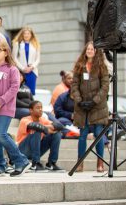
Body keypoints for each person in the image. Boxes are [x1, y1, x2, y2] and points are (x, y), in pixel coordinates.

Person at [0, 40, 31, 177]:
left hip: (5, 108)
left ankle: (21, 160)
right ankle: (0, 165)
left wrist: (0, 101)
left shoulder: (12, 69)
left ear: (5, 52)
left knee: (1, 134)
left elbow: (14, 88)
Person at [71, 41, 109, 173]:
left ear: (96, 51)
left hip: (97, 106)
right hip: (82, 107)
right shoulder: (79, 66)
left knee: (98, 134)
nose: (90, 51)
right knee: (83, 135)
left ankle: (100, 163)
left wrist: (94, 101)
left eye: (92, 49)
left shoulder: (102, 66)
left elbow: (105, 87)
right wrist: (79, 100)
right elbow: (74, 85)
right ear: (85, 51)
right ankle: (80, 163)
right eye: (88, 49)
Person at [17, 101, 63, 171]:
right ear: (31, 110)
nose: (41, 109)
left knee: (57, 134)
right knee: (37, 130)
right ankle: (35, 163)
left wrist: (46, 127)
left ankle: (51, 163)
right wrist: (48, 128)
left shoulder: (42, 120)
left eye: (41, 107)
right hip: (23, 151)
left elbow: (59, 126)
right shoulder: (24, 119)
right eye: (38, 108)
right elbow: (35, 126)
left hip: (36, 149)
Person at [12, 26, 41, 95]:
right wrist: (23, 68)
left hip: (32, 72)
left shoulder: (35, 44)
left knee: (31, 92)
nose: (26, 35)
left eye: (28, 33)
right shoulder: (17, 44)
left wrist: (32, 67)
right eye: (25, 33)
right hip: (21, 72)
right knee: (21, 92)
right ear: (22, 34)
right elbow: (14, 58)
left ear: (31, 35)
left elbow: (38, 59)